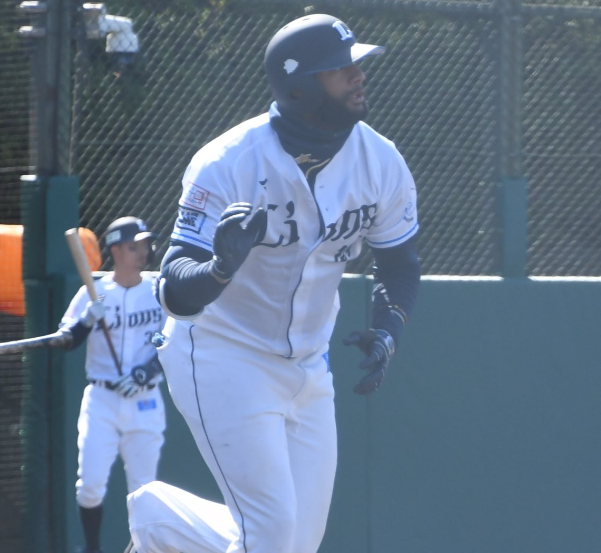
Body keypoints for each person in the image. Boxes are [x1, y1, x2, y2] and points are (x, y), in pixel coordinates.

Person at [124, 13, 420, 553]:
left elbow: (399, 264)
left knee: (293, 544)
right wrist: (219, 268)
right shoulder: (227, 162)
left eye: (356, 64)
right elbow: (173, 291)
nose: (358, 74)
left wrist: (388, 329)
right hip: (222, 354)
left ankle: (160, 522)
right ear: (300, 86)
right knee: (273, 537)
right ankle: (158, 524)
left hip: (309, 364)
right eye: (340, 69)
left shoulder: (380, 161)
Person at [59, 217, 167, 553]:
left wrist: (145, 372)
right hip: (102, 399)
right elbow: (66, 341)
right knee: (90, 486)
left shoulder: (157, 291)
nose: (143, 252)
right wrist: (86, 320)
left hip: (145, 399)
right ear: (116, 250)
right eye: (135, 246)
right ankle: (92, 549)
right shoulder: (93, 292)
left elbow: (172, 343)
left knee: (144, 491)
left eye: (146, 245)